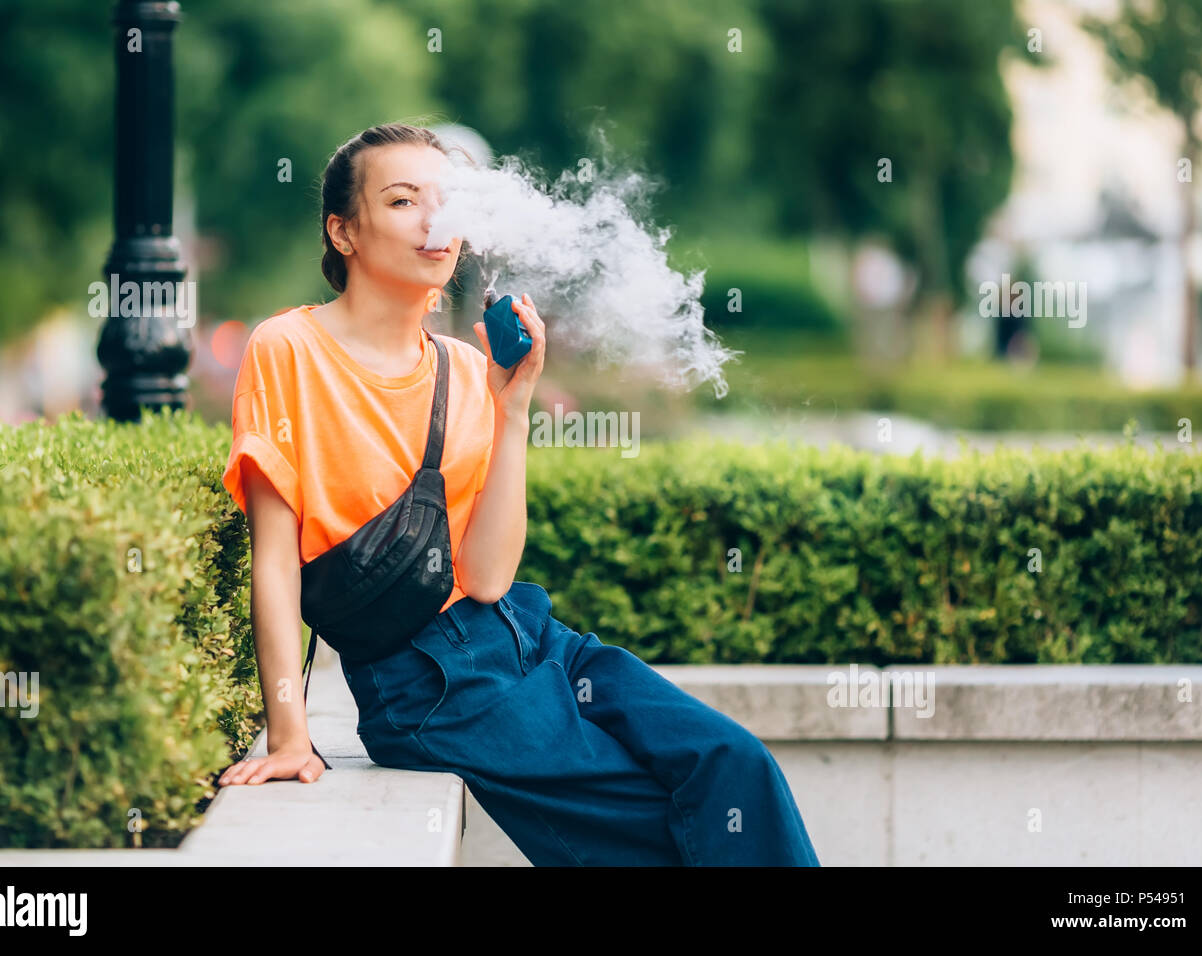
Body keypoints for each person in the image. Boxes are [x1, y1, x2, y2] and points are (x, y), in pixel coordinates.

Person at [218, 122, 821, 866]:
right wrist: (289, 733)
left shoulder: (468, 371)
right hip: (430, 686)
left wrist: (513, 410)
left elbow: (489, 576)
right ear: (343, 231)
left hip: (528, 637)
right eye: (404, 201)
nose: (434, 222)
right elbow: (275, 560)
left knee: (733, 765)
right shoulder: (290, 349)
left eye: (446, 204)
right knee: (654, 827)